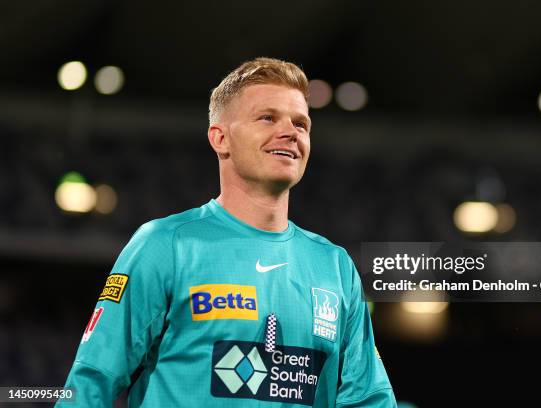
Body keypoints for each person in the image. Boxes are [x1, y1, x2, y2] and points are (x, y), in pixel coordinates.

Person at [58, 57, 397, 407]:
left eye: (301, 123)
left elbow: (369, 398)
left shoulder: (334, 267)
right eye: (268, 117)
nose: (290, 132)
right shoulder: (165, 245)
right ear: (220, 138)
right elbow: (90, 383)